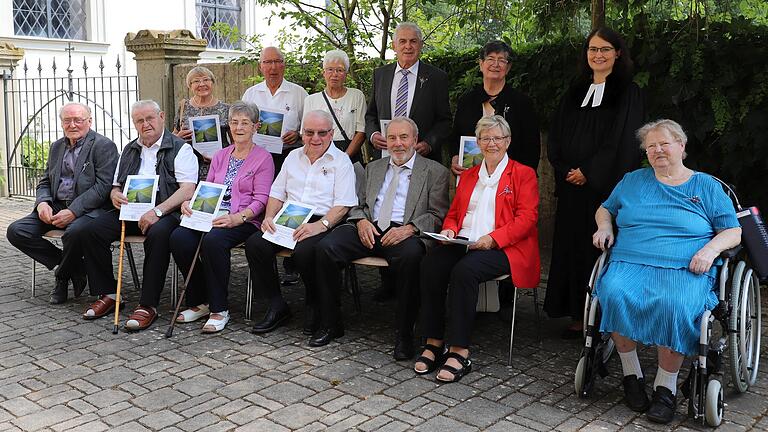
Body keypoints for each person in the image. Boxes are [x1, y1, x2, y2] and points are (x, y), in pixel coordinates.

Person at [592, 119, 741, 423]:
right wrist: (604, 225)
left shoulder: (706, 186)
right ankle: (631, 375)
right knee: (613, 292)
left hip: (685, 266)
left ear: (681, 147)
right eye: (651, 146)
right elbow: (605, 207)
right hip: (631, 260)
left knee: (674, 304)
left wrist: (710, 250)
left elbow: (733, 231)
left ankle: (666, 388)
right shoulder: (633, 180)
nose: (657, 150)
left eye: (664, 144)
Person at [415, 115, 539, 383]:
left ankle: (459, 350)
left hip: (505, 248)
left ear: (507, 142)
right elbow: (454, 213)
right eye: (485, 138)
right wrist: (449, 230)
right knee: (431, 265)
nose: (491, 143)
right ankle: (434, 341)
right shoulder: (470, 175)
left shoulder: (523, 174)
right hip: (465, 240)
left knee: (464, 272)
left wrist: (493, 239)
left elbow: (527, 219)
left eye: (497, 138)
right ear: (478, 143)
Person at [314, 117, 450, 354]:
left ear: (415, 140)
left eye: (403, 137)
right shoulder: (373, 168)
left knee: (413, 257)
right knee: (326, 248)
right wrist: (362, 221)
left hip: (404, 231)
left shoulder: (435, 172)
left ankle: (404, 334)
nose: (397, 143)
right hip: (370, 227)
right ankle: (331, 323)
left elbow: (437, 215)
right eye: (392, 138)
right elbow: (356, 204)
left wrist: (411, 229)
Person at [544, 27, 645, 338]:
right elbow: (557, 134)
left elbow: (622, 141)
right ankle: (577, 315)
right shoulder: (575, 90)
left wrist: (589, 171)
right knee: (571, 249)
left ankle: (602, 320)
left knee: (597, 251)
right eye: (592, 49)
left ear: (617, 53)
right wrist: (564, 169)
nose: (598, 55)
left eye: (604, 49)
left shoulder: (629, 92)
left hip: (604, 189)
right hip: (572, 189)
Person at [81, 100, 198, 330]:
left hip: (166, 211)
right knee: (90, 230)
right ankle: (109, 294)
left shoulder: (180, 148)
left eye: (150, 119)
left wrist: (157, 211)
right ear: (134, 123)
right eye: (139, 121)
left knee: (159, 234)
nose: (145, 124)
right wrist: (115, 195)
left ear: (161, 116)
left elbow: (187, 189)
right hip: (131, 208)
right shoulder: (130, 149)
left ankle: (148, 305)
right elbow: (116, 185)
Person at [245, 110, 357, 336]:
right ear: (302, 133)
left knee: (305, 251)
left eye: (321, 133)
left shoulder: (342, 161)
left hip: (323, 220)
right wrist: (268, 217)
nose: (315, 138)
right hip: (289, 216)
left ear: (331, 134)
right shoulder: (293, 157)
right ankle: (276, 305)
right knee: (256, 244)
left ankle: (314, 303)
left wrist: (320, 225)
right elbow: (277, 192)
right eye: (309, 132)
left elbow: (343, 205)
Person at [169, 101, 274, 333]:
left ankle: (220, 308)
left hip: (245, 219)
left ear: (256, 126)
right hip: (213, 214)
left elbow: (262, 199)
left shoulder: (263, 158)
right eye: (234, 122)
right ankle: (201, 301)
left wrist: (238, 218)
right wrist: (190, 202)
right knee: (179, 237)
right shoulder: (221, 155)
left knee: (213, 240)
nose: (239, 127)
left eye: (245, 123)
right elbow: (208, 188)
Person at [7, 102, 118, 304]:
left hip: (89, 209)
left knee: (75, 232)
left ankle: (62, 277)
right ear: (62, 123)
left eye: (78, 120)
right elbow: (45, 181)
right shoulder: (57, 146)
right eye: (67, 120)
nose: (73, 125)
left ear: (89, 121)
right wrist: (42, 203)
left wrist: (74, 211)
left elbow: (103, 187)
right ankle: (77, 269)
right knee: (17, 231)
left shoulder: (104, 146)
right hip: (56, 205)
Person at [450, 40, 540, 175]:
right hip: (471, 176)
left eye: (502, 60)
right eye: (490, 59)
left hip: (511, 180)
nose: (495, 64)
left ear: (508, 67)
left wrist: (523, 178)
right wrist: (455, 157)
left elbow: (532, 147)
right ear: (481, 64)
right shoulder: (466, 101)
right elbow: (456, 138)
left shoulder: (522, 103)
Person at [365, 22, 451, 162]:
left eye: (413, 41)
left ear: (421, 45)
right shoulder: (380, 75)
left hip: (422, 158)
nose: (408, 46)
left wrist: (429, 143)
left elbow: (444, 121)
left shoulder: (437, 77)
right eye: (403, 41)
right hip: (385, 156)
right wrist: (373, 134)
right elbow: (370, 115)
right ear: (394, 46)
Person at [242, 46, 309, 173]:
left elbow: (309, 126)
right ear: (260, 66)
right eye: (267, 62)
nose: (273, 67)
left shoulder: (299, 93)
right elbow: (242, 125)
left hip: (289, 155)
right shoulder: (250, 94)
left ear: (284, 65)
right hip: (256, 157)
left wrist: (298, 134)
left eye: (277, 61)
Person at [304, 50, 366, 163]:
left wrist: (345, 157)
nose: (335, 74)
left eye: (340, 70)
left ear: (346, 74)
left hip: (350, 153)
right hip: (320, 155)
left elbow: (361, 131)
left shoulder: (356, 96)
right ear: (324, 73)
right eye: (330, 69)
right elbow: (305, 133)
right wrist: (320, 157)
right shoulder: (311, 100)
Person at [172, 66, 230, 180]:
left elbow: (234, 142)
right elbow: (174, 134)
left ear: (212, 83)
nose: (202, 84)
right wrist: (178, 137)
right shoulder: (184, 106)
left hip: (218, 164)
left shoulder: (226, 108)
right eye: (196, 81)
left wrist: (223, 157)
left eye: (206, 79)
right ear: (190, 86)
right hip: (188, 164)